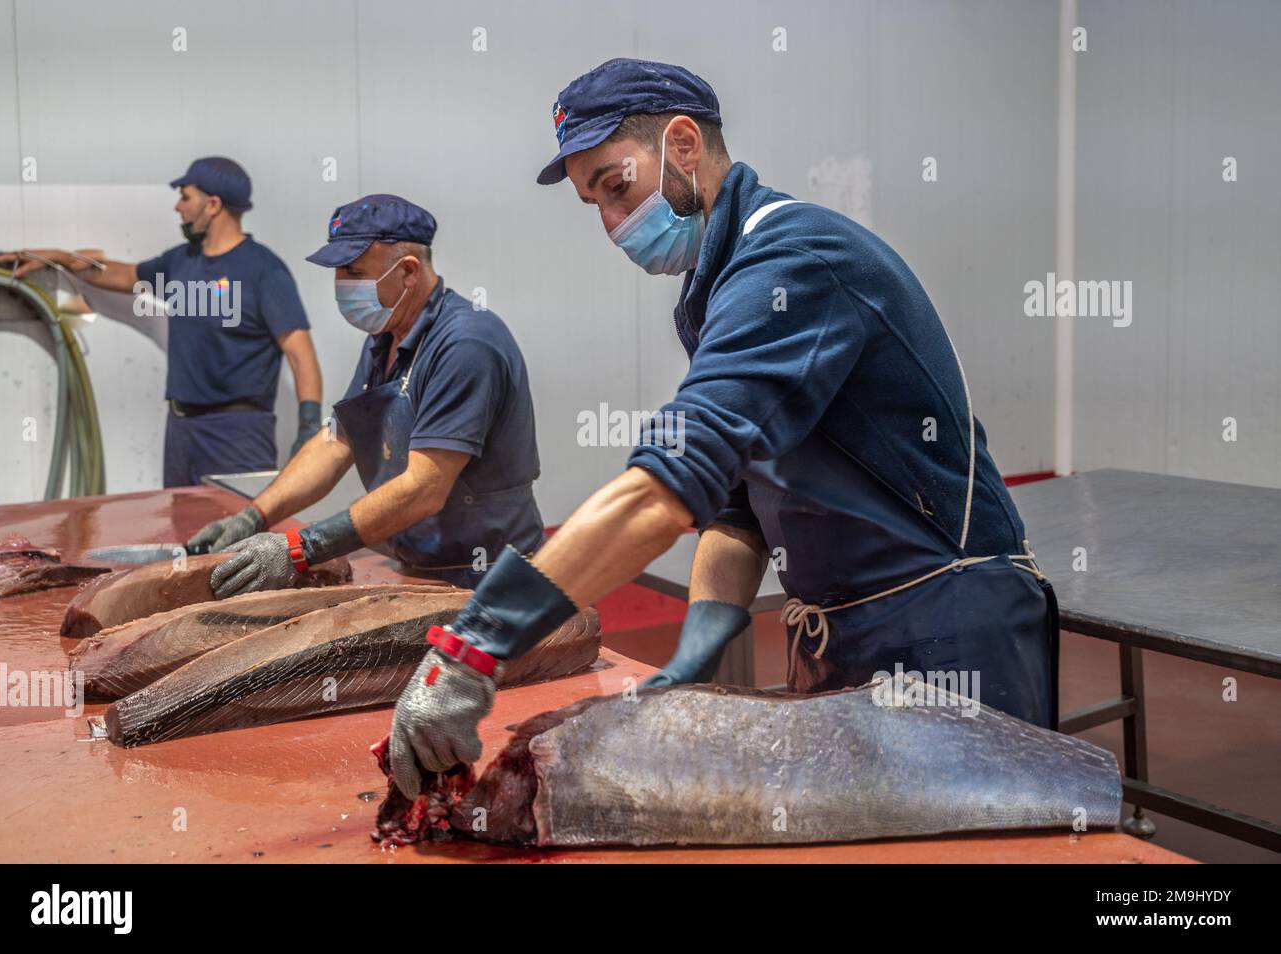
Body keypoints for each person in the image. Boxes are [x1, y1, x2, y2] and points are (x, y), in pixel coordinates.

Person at [383, 58, 1059, 800]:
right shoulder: (723, 289)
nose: (612, 226)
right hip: (842, 635)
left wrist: (473, 648)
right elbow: (739, 504)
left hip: (947, 629)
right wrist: (701, 641)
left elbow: (664, 491)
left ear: (681, 144)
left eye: (617, 187)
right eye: (594, 205)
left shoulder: (791, 260)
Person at [186, 194, 545, 593]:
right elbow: (337, 442)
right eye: (339, 272)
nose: (342, 286)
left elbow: (424, 488)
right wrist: (254, 515)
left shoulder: (466, 345)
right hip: (418, 565)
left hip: (486, 576)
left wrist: (301, 548)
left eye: (355, 272)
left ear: (408, 271)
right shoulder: (385, 336)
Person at [1, 157, 323, 485]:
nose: (177, 207)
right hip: (182, 428)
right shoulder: (180, 262)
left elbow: (301, 354)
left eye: (185, 197)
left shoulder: (264, 270)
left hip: (238, 433)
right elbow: (123, 274)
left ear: (212, 205)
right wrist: (58, 257)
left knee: (240, 532)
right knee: (181, 529)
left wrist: (309, 426)